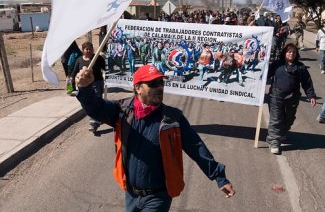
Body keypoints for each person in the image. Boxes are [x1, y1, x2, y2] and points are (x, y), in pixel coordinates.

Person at [74, 64, 235, 211]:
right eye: (153, 84)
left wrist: (219, 177)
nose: (159, 88)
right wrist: (85, 88)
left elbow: (197, 147)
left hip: (158, 197)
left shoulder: (172, 118)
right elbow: (96, 108)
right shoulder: (122, 110)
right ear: (138, 88)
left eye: (161, 83)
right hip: (131, 194)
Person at [267, 43, 317, 154]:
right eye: (289, 51)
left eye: (294, 52)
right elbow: (266, 74)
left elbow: (307, 83)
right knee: (276, 118)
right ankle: (274, 141)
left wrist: (311, 96)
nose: (291, 53)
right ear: (285, 53)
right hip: (276, 95)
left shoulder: (301, 67)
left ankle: (283, 132)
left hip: (293, 97)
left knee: (289, 118)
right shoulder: (277, 64)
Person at [71, 41, 105, 133]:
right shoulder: (79, 60)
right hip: (84, 87)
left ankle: (94, 123)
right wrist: (72, 85)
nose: (89, 51)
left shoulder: (97, 58)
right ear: (83, 50)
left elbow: (106, 68)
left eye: (90, 49)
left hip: (97, 83)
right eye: (86, 49)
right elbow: (74, 72)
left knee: (95, 102)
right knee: (88, 103)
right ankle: (100, 117)